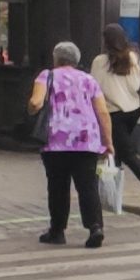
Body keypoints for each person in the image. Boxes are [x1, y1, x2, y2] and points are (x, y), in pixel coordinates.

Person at [29, 40, 113, 248]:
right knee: (88, 186)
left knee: (58, 186)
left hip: (55, 141)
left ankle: (57, 231)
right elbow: (103, 112)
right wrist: (108, 142)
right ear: (76, 60)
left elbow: (36, 102)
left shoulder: (46, 76)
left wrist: (32, 109)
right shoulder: (89, 80)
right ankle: (95, 227)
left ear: (56, 58)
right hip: (86, 140)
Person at [90, 23, 140, 212]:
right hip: (133, 111)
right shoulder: (132, 57)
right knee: (116, 153)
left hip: (112, 112)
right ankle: (112, 198)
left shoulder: (99, 62)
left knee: (125, 153)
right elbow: (136, 85)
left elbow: (94, 88)